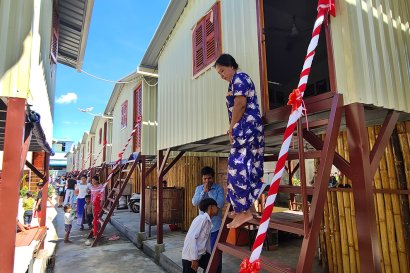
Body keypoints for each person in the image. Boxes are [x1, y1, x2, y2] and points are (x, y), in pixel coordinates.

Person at [214, 53, 265, 229]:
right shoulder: (234, 81)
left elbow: (240, 104)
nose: (221, 75)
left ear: (231, 66)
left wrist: (231, 127)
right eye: (219, 74)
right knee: (248, 166)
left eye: (222, 71)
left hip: (246, 128)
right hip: (248, 128)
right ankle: (247, 207)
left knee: (237, 166)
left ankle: (244, 211)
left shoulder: (240, 78)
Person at [182, 198, 219, 273]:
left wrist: (209, 254)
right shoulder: (201, 219)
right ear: (210, 207)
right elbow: (191, 238)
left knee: (213, 265)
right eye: (216, 206)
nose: (218, 209)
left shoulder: (208, 221)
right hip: (190, 257)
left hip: (201, 255)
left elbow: (206, 241)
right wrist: (194, 259)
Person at [192, 167, 224, 251]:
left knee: (214, 253)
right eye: (205, 178)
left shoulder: (219, 189)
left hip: (215, 227)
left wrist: (209, 191)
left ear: (213, 178)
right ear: (202, 178)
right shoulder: (199, 189)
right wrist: (204, 192)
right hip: (202, 227)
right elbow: (194, 202)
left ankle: (217, 265)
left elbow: (220, 204)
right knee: (203, 253)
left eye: (209, 178)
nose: (207, 181)